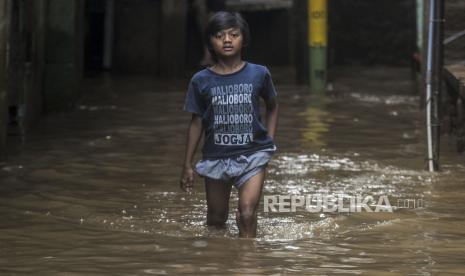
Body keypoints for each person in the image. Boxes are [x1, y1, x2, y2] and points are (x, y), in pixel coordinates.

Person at [180, 11, 279, 238]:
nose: (227, 40)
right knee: (215, 219)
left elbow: (273, 105)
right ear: (210, 43)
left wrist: (269, 141)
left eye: (233, 35)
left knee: (246, 214)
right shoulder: (200, 80)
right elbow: (196, 122)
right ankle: (219, 263)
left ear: (243, 40)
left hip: (253, 155)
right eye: (219, 36)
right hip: (216, 157)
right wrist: (187, 164)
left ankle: (247, 264)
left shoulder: (259, 73)